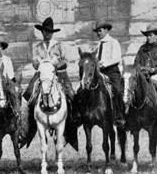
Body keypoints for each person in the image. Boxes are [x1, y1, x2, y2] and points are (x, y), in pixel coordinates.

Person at [23, 17, 78, 149]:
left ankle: (70, 129)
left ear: (52, 33)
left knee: (72, 95)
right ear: (41, 32)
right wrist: (40, 64)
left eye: (49, 32)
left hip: (59, 74)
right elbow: (35, 63)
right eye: (44, 31)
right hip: (42, 74)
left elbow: (65, 61)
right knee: (28, 95)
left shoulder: (59, 45)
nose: (46, 34)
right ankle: (28, 128)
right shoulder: (37, 47)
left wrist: (56, 65)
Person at [90, 20, 125, 127]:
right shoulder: (98, 45)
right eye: (97, 32)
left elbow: (116, 58)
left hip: (112, 72)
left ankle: (120, 116)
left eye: (100, 31)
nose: (98, 34)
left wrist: (103, 64)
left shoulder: (114, 42)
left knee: (118, 91)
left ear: (106, 30)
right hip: (100, 72)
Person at [133, 23, 157, 103]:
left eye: (150, 35)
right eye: (147, 36)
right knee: (132, 88)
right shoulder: (142, 48)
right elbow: (136, 63)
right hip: (143, 75)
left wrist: (153, 69)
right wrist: (141, 68)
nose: (148, 37)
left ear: (156, 36)